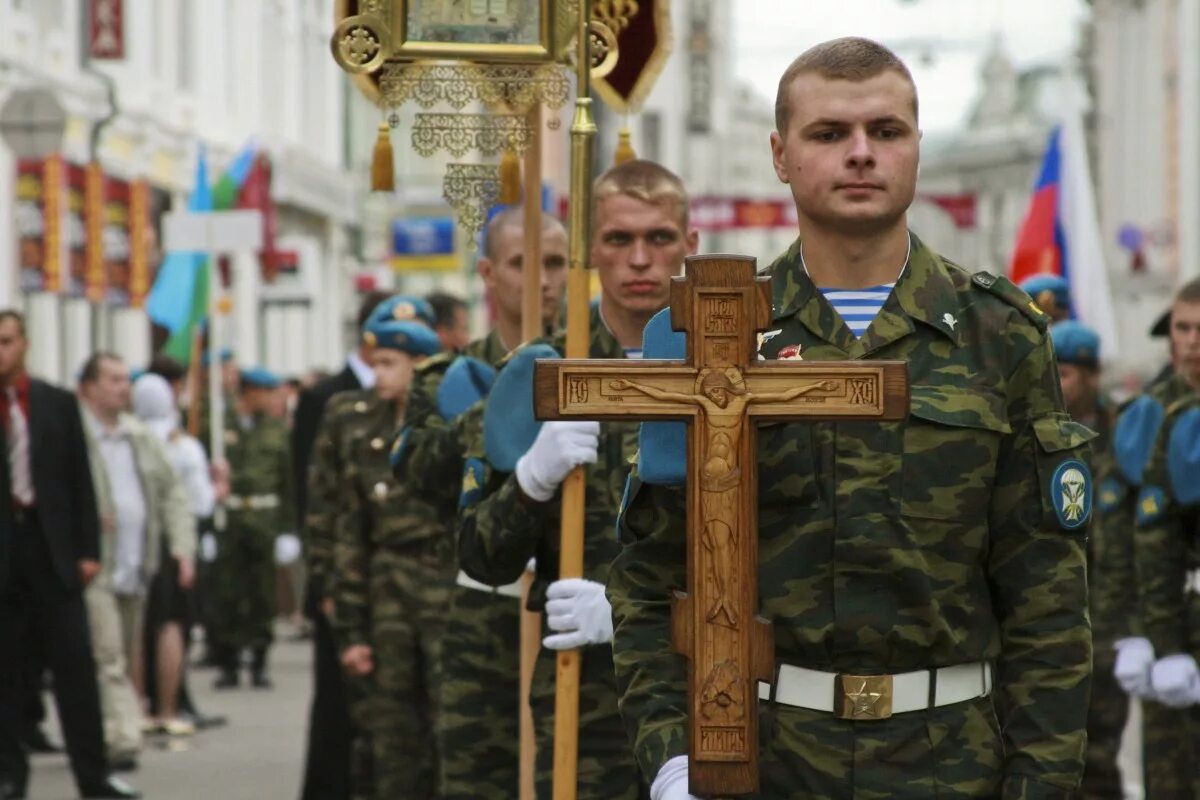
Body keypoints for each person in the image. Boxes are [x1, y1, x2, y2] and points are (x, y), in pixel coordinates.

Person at [609, 38, 1094, 799]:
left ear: (917, 148)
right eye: (829, 134)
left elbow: (1047, 596)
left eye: (886, 131)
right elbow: (650, 579)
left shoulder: (997, 333)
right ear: (780, 154)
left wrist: (1042, 781)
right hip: (765, 759)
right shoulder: (719, 334)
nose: (861, 154)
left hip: (954, 762)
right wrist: (674, 759)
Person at [457, 159, 699, 800]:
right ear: (592, 251)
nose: (640, 260)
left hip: (711, 696)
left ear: (691, 245)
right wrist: (531, 481)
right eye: (619, 240)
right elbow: (482, 556)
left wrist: (635, 613)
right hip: (586, 704)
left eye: (660, 238)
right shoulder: (543, 373)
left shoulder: (731, 371)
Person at [393, 206, 568, 799]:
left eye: (556, 262)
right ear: (490, 273)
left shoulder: (588, 367)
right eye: (524, 263)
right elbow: (419, 471)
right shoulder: (454, 377)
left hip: (566, 610)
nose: (543, 279)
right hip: (483, 616)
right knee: (478, 778)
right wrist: (501, 404)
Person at [0, 310, 139, 799]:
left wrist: (88, 551)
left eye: (7, 341)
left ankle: (94, 776)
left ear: (25, 344)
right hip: (5, 558)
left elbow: (80, 480)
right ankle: (10, 775)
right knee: (9, 676)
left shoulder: (55, 403)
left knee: (77, 668)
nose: (1, 352)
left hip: (54, 554)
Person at [318, 295, 447, 798]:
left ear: (421, 364)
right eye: (375, 364)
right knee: (388, 729)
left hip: (444, 583)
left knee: (448, 725)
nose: (378, 376)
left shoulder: (449, 420)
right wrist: (349, 621)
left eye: (390, 364)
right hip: (386, 585)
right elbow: (346, 524)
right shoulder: (358, 421)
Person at [1101, 280, 1200, 797]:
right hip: (1171, 624)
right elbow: (1123, 535)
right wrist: (1132, 631)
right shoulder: (1147, 415)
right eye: (1183, 328)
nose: (1192, 342)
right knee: (1171, 773)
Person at [77, 353, 196, 769]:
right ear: (87, 387)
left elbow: (171, 493)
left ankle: (106, 729)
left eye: (125, 379)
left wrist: (182, 547)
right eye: (112, 379)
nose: (123, 387)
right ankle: (120, 739)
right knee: (108, 654)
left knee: (125, 653)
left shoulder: (137, 435)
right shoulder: (76, 435)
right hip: (95, 564)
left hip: (136, 562)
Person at [294, 289, 389, 800]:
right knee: (335, 706)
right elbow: (309, 496)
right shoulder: (324, 397)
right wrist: (321, 580)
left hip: (401, 582)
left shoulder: (418, 390)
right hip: (343, 576)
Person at [1045, 322, 1124, 799]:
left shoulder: (1124, 436)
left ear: (1093, 376)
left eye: (1067, 372)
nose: (1056, 382)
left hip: (1109, 629)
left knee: (1097, 758)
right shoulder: (1035, 435)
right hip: (1051, 626)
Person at [131, 372, 214, 737]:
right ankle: (168, 707)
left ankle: (137, 709)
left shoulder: (127, 438)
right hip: (171, 544)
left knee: (135, 629)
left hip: (133, 542)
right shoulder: (183, 445)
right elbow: (200, 501)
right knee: (171, 625)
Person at [210, 366, 293, 689]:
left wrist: (288, 530)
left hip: (264, 519)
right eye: (267, 392)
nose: (273, 398)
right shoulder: (218, 429)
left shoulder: (275, 430)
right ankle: (228, 661)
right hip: (229, 519)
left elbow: (286, 483)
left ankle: (259, 661)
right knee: (227, 592)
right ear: (250, 393)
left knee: (262, 593)